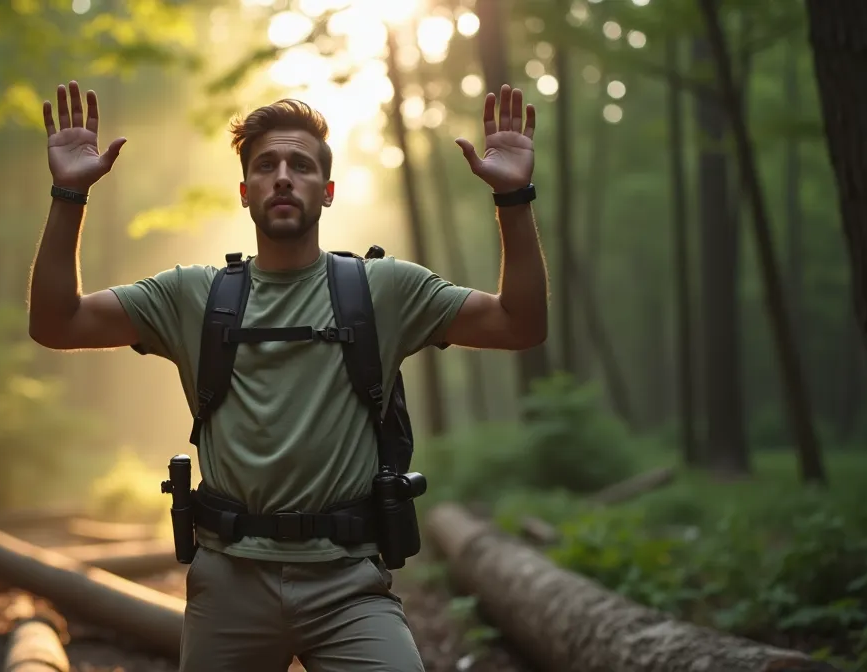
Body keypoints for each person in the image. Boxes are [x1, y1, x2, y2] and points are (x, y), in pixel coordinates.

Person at [27, 79, 549, 672]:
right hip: (227, 583)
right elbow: (56, 322)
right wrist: (69, 194)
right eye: (266, 164)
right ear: (245, 191)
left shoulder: (385, 289)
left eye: (300, 165)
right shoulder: (190, 296)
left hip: (349, 585)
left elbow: (519, 324)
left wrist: (514, 199)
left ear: (326, 192)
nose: (282, 176)